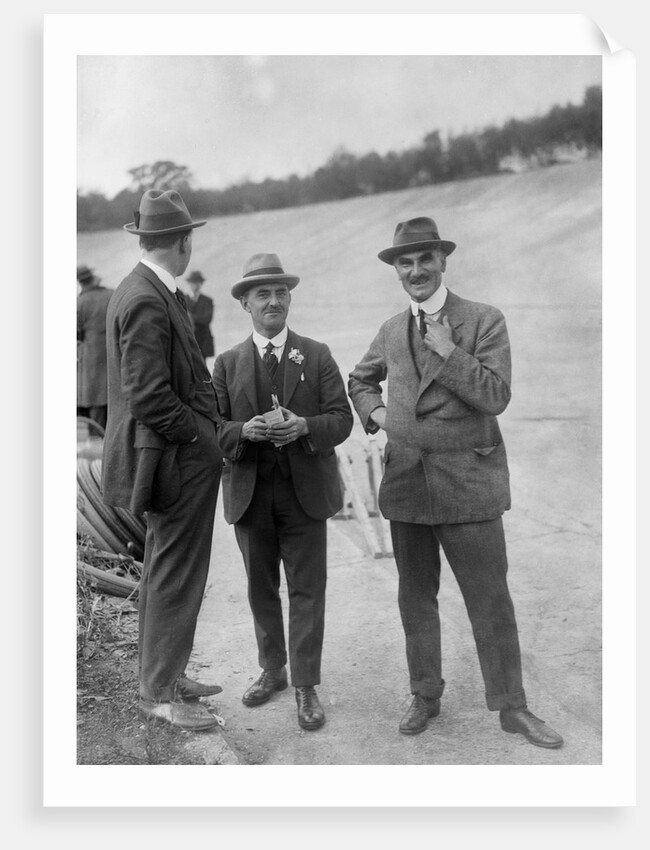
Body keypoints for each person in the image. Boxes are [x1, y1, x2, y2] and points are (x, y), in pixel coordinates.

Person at [348, 216, 563, 748]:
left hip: (469, 484)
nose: (416, 270)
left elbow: (495, 395)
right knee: (416, 598)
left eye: (425, 258)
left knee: (490, 601)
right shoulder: (391, 330)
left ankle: (512, 707)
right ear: (396, 270)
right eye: (405, 262)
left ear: (443, 260)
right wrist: (377, 414)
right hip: (408, 483)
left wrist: (449, 351)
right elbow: (360, 379)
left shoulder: (484, 319)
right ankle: (425, 694)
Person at [212, 252, 353, 731]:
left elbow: (342, 419)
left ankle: (306, 685)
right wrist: (243, 431)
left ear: (289, 299)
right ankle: (273, 670)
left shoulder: (316, 354)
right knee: (261, 587)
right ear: (245, 304)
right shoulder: (227, 363)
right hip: (250, 495)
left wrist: (305, 426)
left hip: (304, 494)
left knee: (308, 589)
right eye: (262, 294)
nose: (273, 301)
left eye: (280, 293)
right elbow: (211, 428)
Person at [101, 189, 224, 732]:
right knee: (176, 574)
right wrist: (199, 438)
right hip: (174, 460)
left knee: (162, 570)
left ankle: (166, 676)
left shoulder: (144, 289)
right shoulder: (147, 298)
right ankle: (158, 693)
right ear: (184, 241)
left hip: (166, 458)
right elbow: (149, 395)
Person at [77, 264, 112, 431]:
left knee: (95, 406)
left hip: (92, 363)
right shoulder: (111, 294)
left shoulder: (80, 302)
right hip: (114, 357)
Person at [184, 269, 215, 362]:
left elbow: (207, 319)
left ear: (201, 283)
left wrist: (190, 317)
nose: (195, 285)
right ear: (189, 283)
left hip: (203, 340)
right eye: (193, 282)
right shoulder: (183, 299)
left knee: (202, 366)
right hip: (187, 340)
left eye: (197, 282)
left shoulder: (207, 300)